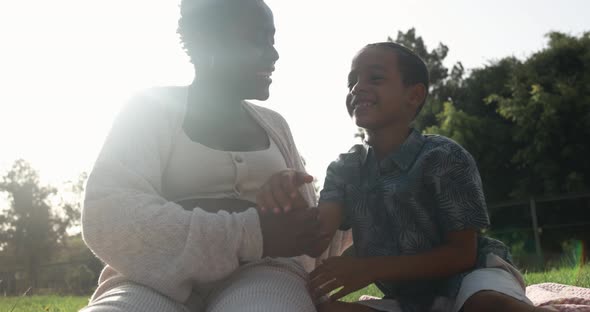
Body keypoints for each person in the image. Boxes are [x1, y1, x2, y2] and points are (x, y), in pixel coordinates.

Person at [80, 0, 351, 311]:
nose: (273, 53)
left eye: (272, 38)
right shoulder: (148, 109)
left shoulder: (276, 125)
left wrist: (305, 204)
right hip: (149, 281)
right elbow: (109, 215)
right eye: (255, 38)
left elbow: (308, 232)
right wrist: (253, 232)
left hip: (266, 273)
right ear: (208, 41)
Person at [257, 42, 556, 312]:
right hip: (409, 300)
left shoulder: (443, 156)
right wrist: (289, 198)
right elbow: (316, 240)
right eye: (352, 81)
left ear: (413, 96)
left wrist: (369, 268)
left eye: (374, 78)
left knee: (486, 305)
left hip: (474, 278)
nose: (357, 88)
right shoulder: (345, 168)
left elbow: (463, 254)